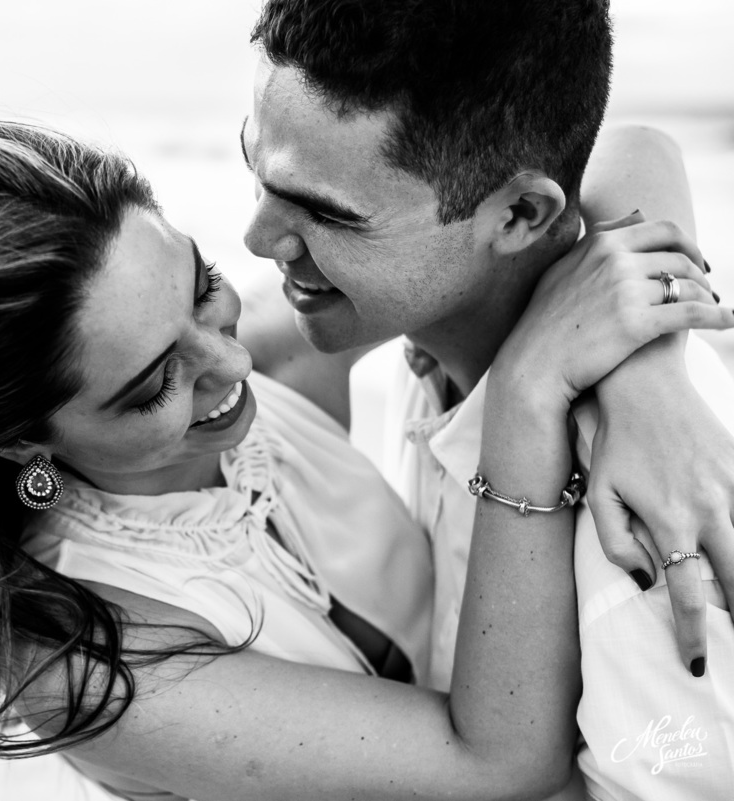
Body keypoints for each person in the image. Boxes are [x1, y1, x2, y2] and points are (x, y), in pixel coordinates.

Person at [0, 119, 727, 801]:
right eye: (150, 384)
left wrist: (647, 375)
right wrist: (528, 393)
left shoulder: (234, 358)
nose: (224, 366)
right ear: (14, 435)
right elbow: (494, 762)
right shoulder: (78, 648)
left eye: (204, 287)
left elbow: (615, 153)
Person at [240, 1, 734, 797]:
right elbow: (633, 146)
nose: (258, 239)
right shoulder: (399, 362)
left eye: (328, 212)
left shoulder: (651, 523)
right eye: (253, 166)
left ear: (517, 214)